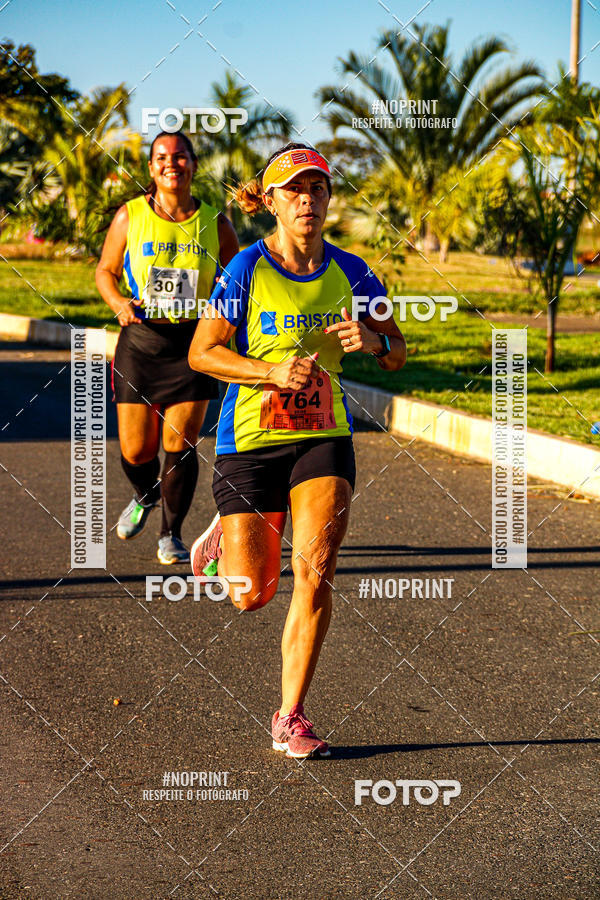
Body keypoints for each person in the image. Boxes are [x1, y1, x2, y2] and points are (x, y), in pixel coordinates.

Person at [188, 142, 406, 757]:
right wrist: (269, 373)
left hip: (322, 437)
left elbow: (398, 350)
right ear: (273, 203)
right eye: (294, 190)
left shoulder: (355, 273)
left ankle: (291, 715)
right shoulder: (245, 272)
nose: (307, 199)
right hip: (250, 442)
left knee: (315, 571)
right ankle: (228, 536)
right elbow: (202, 353)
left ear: (329, 199)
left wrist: (371, 338)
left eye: (317, 189)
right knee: (251, 594)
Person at [96, 131, 239, 564]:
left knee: (181, 443)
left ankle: (170, 535)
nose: (170, 164)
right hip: (140, 343)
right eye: (161, 157)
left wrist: (223, 299)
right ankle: (144, 495)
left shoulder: (216, 224)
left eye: (180, 156)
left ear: (194, 165)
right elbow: (105, 270)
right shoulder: (130, 216)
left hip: (191, 345)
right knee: (136, 451)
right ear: (151, 166)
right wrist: (119, 303)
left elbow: (236, 282)